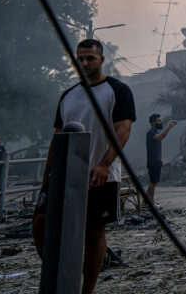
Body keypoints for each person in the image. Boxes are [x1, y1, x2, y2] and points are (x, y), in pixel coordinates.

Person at [32, 39, 136, 294]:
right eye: (80, 58)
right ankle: (61, 273)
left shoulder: (117, 90)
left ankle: (86, 289)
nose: (85, 62)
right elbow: (58, 138)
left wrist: (104, 164)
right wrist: (47, 177)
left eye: (90, 57)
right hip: (64, 174)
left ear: (101, 60)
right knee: (41, 224)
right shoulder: (69, 95)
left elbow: (123, 131)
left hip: (100, 175)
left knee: (93, 232)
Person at [145, 114, 176, 202]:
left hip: (156, 161)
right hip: (153, 162)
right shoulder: (151, 133)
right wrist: (169, 127)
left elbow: (156, 148)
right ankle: (149, 201)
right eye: (159, 121)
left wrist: (160, 160)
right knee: (153, 182)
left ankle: (147, 201)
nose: (161, 122)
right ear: (153, 123)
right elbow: (161, 137)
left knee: (154, 183)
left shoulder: (155, 132)